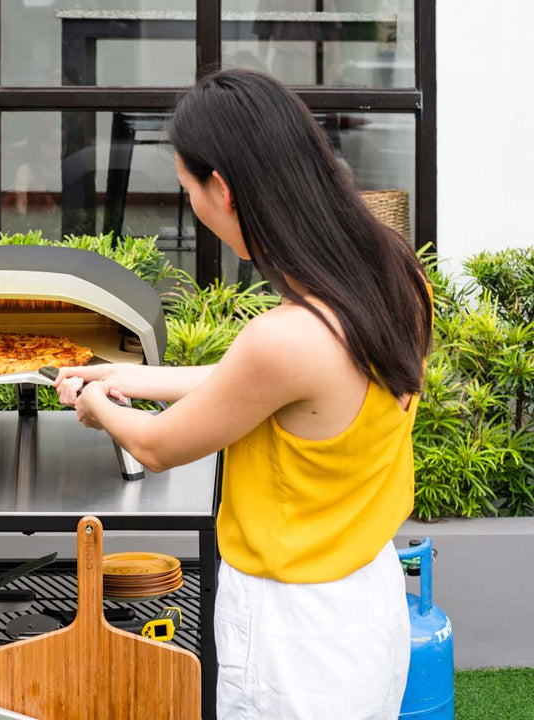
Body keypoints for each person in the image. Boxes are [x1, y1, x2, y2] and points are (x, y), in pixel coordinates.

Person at [55, 69, 432, 720]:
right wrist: (127, 378)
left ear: (222, 190)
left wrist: (99, 408)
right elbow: (274, 392)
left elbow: (158, 445)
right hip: (367, 604)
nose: (193, 207)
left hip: (293, 633)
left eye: (187, 190)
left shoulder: (284, 338)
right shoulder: (393, 273)